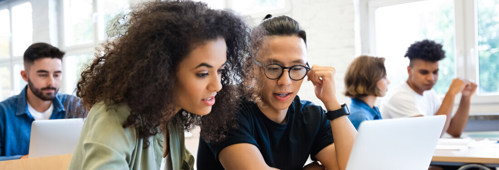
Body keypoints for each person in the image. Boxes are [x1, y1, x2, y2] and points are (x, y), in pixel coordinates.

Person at [68, 1, 249, 169]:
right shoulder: (114, 116)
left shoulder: (171, 119)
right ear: (162, 70)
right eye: (202, 74)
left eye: (220, 70)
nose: (217, 86)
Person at [197, 15, 357, 170]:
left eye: (296, 68)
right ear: (250, 67)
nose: (285, 81)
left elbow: (354, 166)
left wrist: (332, 103)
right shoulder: (225, 110)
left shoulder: (311, 116)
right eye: (273, 68)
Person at [0, 42, 86, 160]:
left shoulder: (74, 106)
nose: (51, 82)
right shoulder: (3, 113)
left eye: (56, 75)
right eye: (43, 75)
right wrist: (22, 160)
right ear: (25, 76)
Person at [381, 39, 477, 137]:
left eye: (435, 72)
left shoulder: (429, 93)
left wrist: (465, 98)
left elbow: (454, 130)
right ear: (409, 71)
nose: (431, 78)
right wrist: (451, 93)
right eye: (424, 72)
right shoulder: (399, 97)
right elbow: (432, 134)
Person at [344, 55, 388, 130]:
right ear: (372, 80)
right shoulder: (360, 117)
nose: (388, 82)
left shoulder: (370, 110)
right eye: (384, 77)